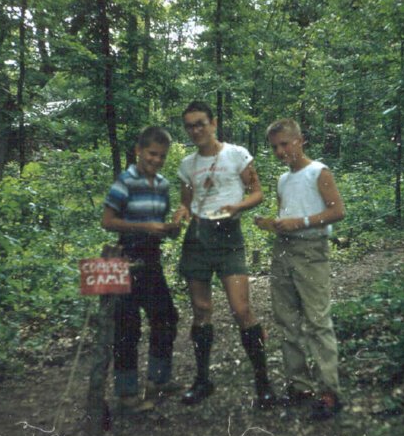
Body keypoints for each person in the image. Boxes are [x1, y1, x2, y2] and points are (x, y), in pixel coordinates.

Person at [175, 100, 277, 409]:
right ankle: (202, 380)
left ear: (214, 123)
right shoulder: (187, 164)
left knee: (241, 308)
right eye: (190, 126)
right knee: (201, 309)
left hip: (229, 234)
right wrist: (182, 212)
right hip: (198, 237)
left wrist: (238, 206)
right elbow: (187, 203)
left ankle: (263, 384)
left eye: (200, 123)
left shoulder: (236, 154)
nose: (196, 130)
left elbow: (257, 193)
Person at [254, 118, 346, 420]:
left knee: (317, 320)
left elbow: (337, 211)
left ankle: (329, 391)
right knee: (287, 320)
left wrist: (301, 223)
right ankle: (299, 386)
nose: (281, 151)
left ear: (300, 140)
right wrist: (274, 224)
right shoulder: (283, 180)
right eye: (275, 147)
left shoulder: (318, 172)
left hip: (311, 250)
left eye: (285, 144)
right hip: (283, 250)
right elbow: (288, 213)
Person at [101, 126, 182, 413]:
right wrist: (144, 227)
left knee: (166, 318)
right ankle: (127, 394)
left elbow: (160, 226)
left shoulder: (162, 185)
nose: (156, 160)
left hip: (151, 261)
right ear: (138, 151)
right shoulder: (125, 182)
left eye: (162, 156)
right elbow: (107, 221)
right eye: (152, 154)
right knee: (127, 327)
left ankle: (158, 380)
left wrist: (172, 228)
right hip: (125, 259)